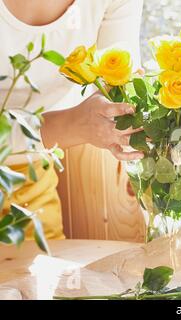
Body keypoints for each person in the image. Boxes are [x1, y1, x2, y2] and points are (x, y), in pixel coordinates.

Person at [0, 0, 144, 240]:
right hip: (34, 158)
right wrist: (73, 125)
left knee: (38, 276)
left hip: (30, 173)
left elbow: (120, 87)